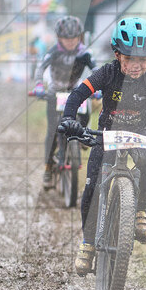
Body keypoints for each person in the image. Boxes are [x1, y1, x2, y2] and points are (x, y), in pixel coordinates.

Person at [57, 16, 146, 276]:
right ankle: (87, 243)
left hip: (141, 133)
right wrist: (69, 119)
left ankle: (140, 210)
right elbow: (77, 95)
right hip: (107, 133)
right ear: (118, 55)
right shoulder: (106, 73)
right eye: (130, 59)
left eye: (143, 59)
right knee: (92, 185)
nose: (137, 65)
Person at [28, 15, 96, 188]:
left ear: (79, 37)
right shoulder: (53, 52)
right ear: (59, 38)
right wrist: (38, 85)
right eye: (67, 39)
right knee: (52, 131)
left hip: (75, 91)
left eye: (74, 38)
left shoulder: (84, 52)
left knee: (86, 111)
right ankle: (48, 168)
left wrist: (99, 87)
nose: (71, 42)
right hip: (54, 91)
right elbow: (40, 68)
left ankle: (81, 138)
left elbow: (95, 70)